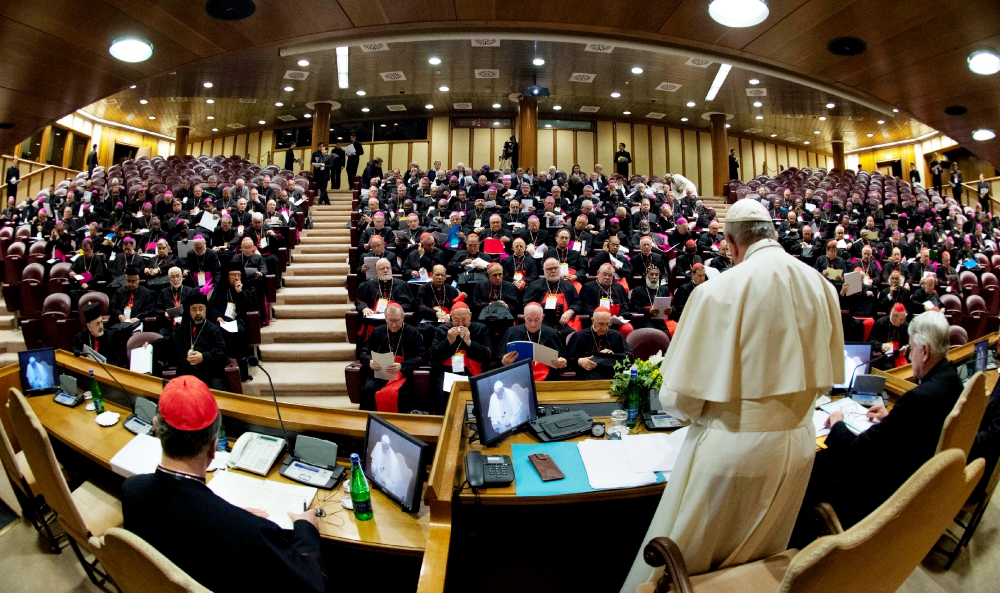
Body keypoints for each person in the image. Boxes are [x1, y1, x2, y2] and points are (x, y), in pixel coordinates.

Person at [621, 198, 843, 589]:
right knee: (765, 556)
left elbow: (677, 397)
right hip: (800, 444)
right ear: (772, 233)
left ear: (730, 243)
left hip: (734, 449)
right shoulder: (822, 285)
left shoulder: (716, 291)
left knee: (689, 566)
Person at [121, 376, 326, 593]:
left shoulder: (131, 489)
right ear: (213, 446)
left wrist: (233, 517)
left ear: (156, 428)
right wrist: (306, 530)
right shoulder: (251, 533)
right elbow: (313, 586)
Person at [793, 311, 961, 541]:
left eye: (911, 348)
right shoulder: (952, 380)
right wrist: (890, 417)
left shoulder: (917, 399)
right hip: (910, 475)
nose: (910, 356)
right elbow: (915, 427)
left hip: (878, 490)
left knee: (814, 472)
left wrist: (838, 423)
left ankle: (799, 542)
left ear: (925, 351)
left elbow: (857, 452)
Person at [153, 292, 229, 390]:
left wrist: (203, 357)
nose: (198, 312)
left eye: (201, 309)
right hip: (187, 376)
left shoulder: (213, 329)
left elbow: (222, 352)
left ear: (206, 310)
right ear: (189, 311)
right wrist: (150, 344)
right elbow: (168, 342)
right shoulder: (183, 329)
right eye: (194, 309)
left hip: (209, 375)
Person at [359, 304, 426, 412]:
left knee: (403, 394)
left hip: (404, 374)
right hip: (380, 373)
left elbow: (422, 357)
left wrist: (402, 366)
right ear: (385, 319)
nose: (394, 325)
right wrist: (370, 361)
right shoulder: (377, 332)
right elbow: (363, 353)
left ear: (403, 318)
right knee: (368, 390)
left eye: (397, 320)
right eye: (390, 320)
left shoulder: (413, 333)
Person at [429, 302, 490, 413]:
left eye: (464, 319)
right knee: (442, 391)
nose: (460, 323)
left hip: (472, 369)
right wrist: (448, 341)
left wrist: (469, 342)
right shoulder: (442, 329)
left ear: (470, 316)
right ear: (451, 317)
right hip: (447, 371)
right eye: (456, 320)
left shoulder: (481, 328)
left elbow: (488, 355)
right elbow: (434, 356)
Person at [497, 302, 568, 381]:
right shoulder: (512, 332)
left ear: (542, 317)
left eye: (537, 320)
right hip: (517, 378)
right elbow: (499, 356)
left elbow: (562, 357)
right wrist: (504, 361)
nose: (533, 324)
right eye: (529, 320)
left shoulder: (551, 333)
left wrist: (562, 363)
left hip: (547, 379)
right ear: (524, 317)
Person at [567, 308, 630, 380]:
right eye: (601, 324)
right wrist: (579, 361)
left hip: (612, 377)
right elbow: (567, 359)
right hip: (587, 378)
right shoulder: (579, 336)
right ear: (592, 320)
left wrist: (613, 355)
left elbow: (628, 356)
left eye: (607, 324)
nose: (604, 328)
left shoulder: (616, 335)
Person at [369, 434, 404, 499]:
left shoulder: (393, 460)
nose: (382, 448)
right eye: (382, 445)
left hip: (388, 492)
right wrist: (373, 467)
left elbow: (395, 483)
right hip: (377, 485)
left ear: (388, 445)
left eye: (384, 446)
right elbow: (374, 460)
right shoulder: (378, 446)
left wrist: (386, 481)